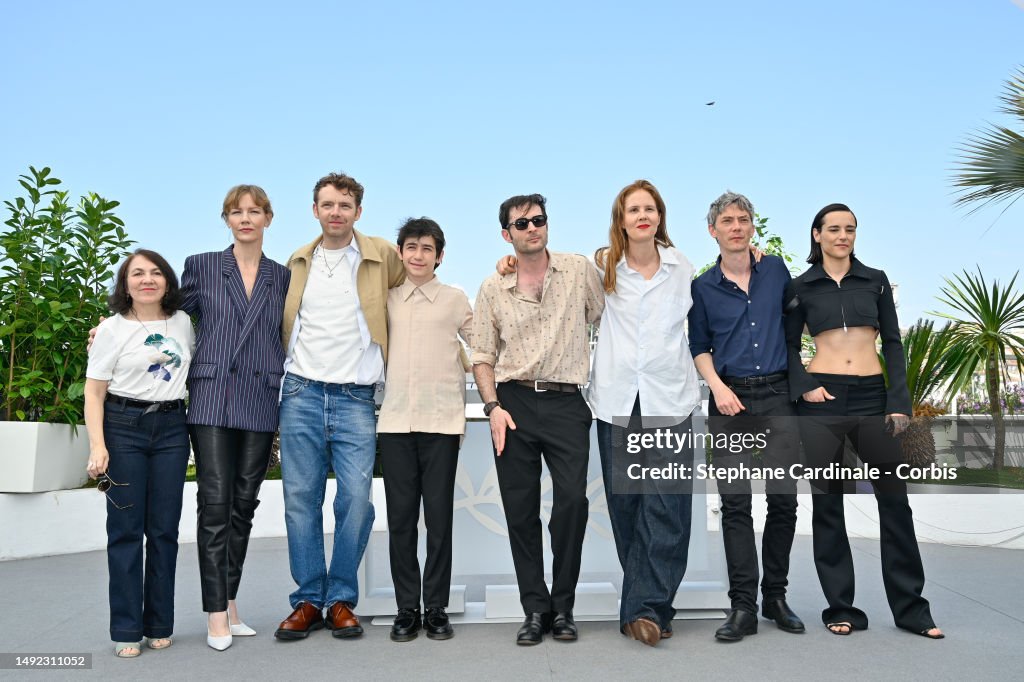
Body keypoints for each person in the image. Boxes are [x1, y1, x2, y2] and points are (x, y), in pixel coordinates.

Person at [785, 203, 943, 639]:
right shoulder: (801, 286)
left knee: (894, 502)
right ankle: (840, 607)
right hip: (822, 400)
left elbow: (893, 343)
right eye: (833, 229)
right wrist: (805, 387)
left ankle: (913, 610)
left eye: (850, 229)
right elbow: (785, 347)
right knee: (828, 504)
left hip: (874, 397)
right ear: (816, 234)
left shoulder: (874, 281)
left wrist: (899, 401)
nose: (843, 235)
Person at [274, 172, 405, 641]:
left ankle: (341, 597)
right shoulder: (295, 263)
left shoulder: (381, 256)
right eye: (327, 204)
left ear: (358, 212)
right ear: (314, 210)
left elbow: (419, 284)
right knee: (300, 501)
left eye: (344, 205)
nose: (335, 212)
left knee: (355, 501)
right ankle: (310, 598)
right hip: (301, 393)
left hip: (355, 397)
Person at [472, 193, 604, 645]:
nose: (532, 228)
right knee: (520, 511)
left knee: (572, 504)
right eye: (521, 223)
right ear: (506, 234)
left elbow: (610, 305)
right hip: (514, 404)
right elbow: (483, 355)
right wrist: (493, 408)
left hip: (567, 404)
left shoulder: (578, 270)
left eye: (538, 220)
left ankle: (563, 607)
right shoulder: (493, 286)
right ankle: (535, 608)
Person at [689, 191, 804, 642]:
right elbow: (699, 346)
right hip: (729, 401)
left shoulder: (775, 269)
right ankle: (743, 607)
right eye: (727, 221)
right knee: (735, 505)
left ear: (752, 227)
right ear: (713, 230)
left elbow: (797, 320)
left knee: (784, 501)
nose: (736, 227)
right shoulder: (702, 286)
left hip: (778, 397)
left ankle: (775, 596)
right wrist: (717, 388)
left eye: (743, 220)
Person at [589, 180, 700, 646]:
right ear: (621, 219)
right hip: (617, 401)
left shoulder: (682, 268)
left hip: (670, 400)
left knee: (669, 507)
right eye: (633, 209)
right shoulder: (602, 267)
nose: (642, 215)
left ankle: (646, 610)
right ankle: (652, 604)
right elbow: (552, 276)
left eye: (649, 208)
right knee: (627, 506)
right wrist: (509, 261)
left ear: (660, 216)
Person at [180, 185, 290, 650]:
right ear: (226, 219)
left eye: (254, 211)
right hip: (211, 396)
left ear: (268, 218)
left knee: (244, 506)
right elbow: (167, 314)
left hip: (261, 397)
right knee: (215, 505)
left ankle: (228, 599)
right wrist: (114, 323)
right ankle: (215, 614)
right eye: (236, 212)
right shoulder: (202, 265)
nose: (245, 219)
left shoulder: (283, 277)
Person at [84, 250, 194, 658]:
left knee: (164, 531)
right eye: (137, 274)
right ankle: (127, 629)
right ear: (125, 283)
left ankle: (160, 623)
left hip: (171, 429)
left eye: (155, 273)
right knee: (126, 530)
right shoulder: (111, 329)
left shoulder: (181, 322)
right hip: (123, 427)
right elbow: (94, 392)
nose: (147, 280)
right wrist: (99, 445)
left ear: (167, 280)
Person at [377, 218, 473, 642]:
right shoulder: (385, 300)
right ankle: (405, 608)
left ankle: (435, 607)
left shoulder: (454, 299)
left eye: (427, 248)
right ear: (400, 252)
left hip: (442, 423)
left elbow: (483, 343)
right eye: (411, 247)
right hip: (395, 423)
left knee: (438, 520)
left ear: (440, 256)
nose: (418, 255)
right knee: (400, 521)